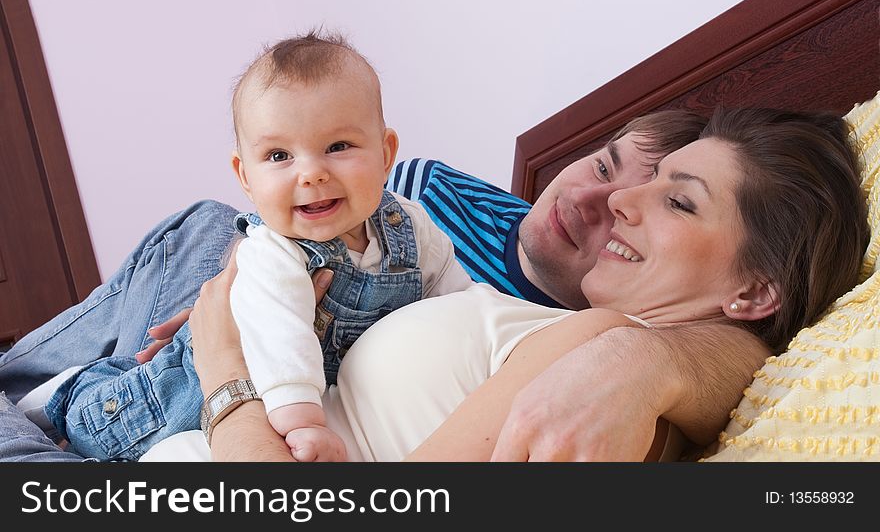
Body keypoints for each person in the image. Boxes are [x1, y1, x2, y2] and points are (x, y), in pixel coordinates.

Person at [0, 102, 750, 462]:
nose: (596, 200)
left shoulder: (570, 332)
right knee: (212, 230)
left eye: (668, 201)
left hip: (267, 391)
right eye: (603, 164)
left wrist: (225, 356)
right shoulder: (434, 194)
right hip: (261, 293)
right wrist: (244, 286)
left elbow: (719, 348)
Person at [167, 106, 867, 462]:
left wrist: (224, 371)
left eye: (678, 201)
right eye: (635, 176)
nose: (622, 202)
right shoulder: (591, 347)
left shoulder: (605, 357)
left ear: (753, 293)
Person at [35, 33, 474, 462]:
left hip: (289, 391)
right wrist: (304, 423)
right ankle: (67, 393)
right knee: (104, 436)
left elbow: (458, 301)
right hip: (183, 393)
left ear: (386, 153)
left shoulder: (408, 225)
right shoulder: (274, 251)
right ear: (245, 177)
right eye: (280, 156)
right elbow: (282, 340)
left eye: (337, 147)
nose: (311, 173)